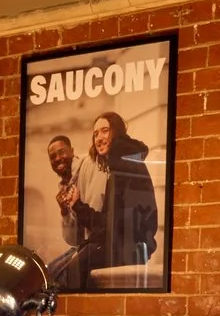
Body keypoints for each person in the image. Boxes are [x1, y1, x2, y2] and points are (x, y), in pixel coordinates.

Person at [90, 112, 160, 281]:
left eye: (104, 130)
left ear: (117, 132)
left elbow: (128, 221)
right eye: (95, 134)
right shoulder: (119, 166)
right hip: (123, 254)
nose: (99, 138)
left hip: (124, 257)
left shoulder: (125, 166)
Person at [44, 133, 105, 288]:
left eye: (61, 152)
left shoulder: (88, 166)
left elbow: (96, 214)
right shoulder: (64, 185)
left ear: (72, 151)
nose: (57, 158)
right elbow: (72, 240)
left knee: (61, 278)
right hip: (84, 246)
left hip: (99, 243)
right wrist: (64, 212)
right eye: (52, 157)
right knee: (47, 273)